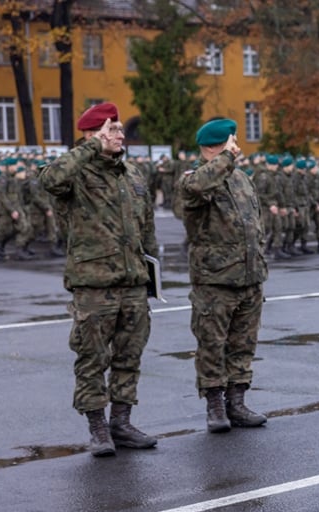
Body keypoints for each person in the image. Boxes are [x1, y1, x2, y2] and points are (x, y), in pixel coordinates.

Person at [39, 102, 160, 457]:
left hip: (133, 283)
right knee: (92, 358)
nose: (120, 135)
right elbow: (49, 179)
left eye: (121, 128)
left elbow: (146, 228)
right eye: (113, 129)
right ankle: (97, 428)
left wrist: (150, 274)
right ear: (92, 134)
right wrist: (91, 146)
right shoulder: (77, 172)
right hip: (94, 284)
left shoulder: (132, 174)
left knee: (129, 356)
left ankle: (121, 423)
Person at [177, 119, 269, 433]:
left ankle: (237, 402)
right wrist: (226, 159)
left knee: (243, 343)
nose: (237, 145)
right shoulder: (194, 179)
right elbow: (199, 187)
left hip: (249, 276)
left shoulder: (242, 178)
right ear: (219, 144)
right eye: (232, 140)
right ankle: (215, 405)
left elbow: (255, 222)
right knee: (212, 345)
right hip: (215, 280)